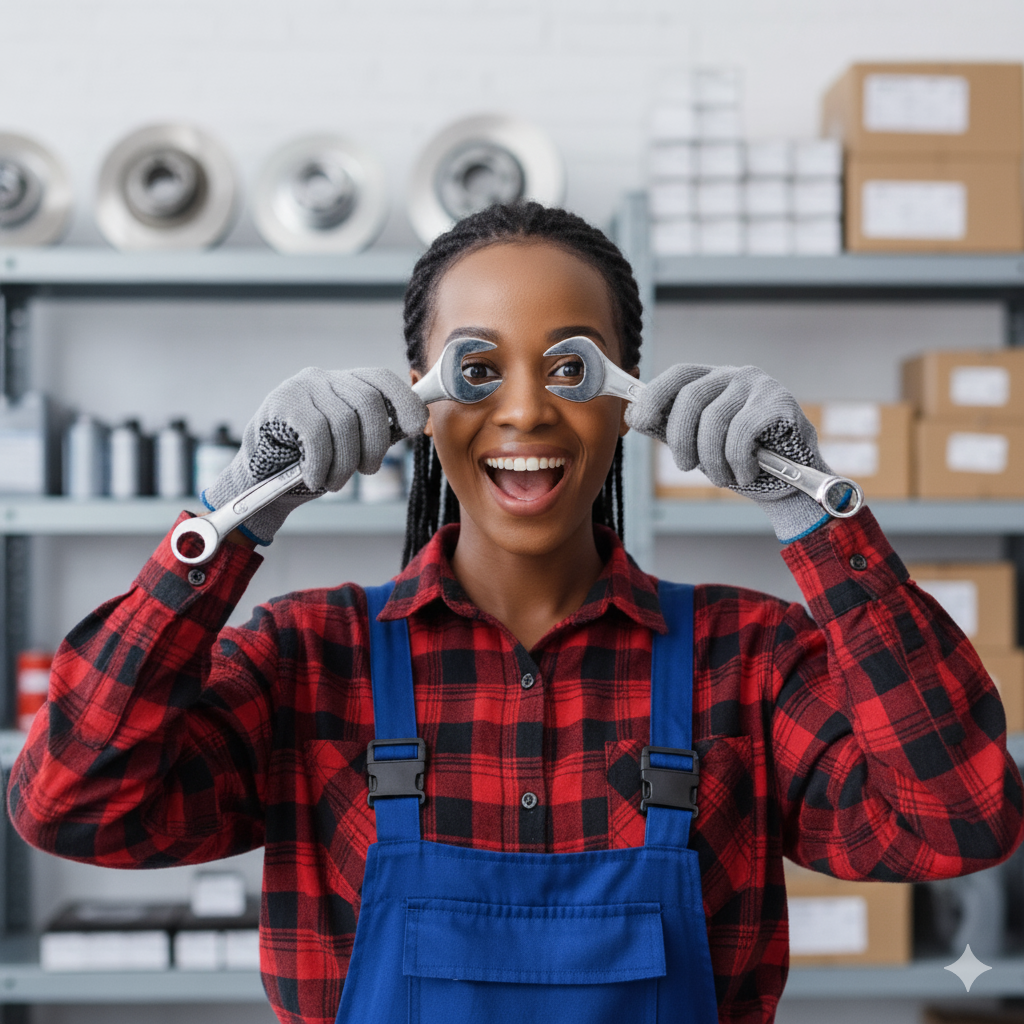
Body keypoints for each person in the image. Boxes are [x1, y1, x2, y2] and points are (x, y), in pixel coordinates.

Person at [9, 202, 1023, 1024]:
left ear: (626, 402)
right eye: (478, 368)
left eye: (572, 366)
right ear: (421, 399)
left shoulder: (744, 660)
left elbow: (963, 819)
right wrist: (237, 512)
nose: (528, 410)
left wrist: (815, 511)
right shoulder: (307, 660)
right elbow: (70, 801)